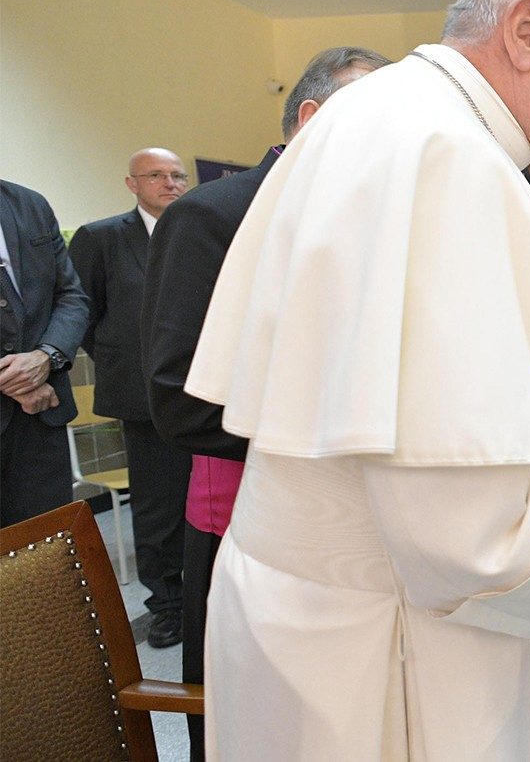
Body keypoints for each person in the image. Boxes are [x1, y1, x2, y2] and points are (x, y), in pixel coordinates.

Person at [181, 0, 530, 758]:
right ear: (526, 29)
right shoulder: (450, 157)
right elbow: (471, 543)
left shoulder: (372, 115)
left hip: (310, 620)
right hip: (392, 649)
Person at [141, 45, 389, 760]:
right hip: (245, 522)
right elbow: (179, 397)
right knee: (248, 730)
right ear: (310, 118)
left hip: (353, 520)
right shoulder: (210, 215)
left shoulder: (371, 218)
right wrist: (351, 425)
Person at [68, 148, 195, 649]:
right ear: (131, 183)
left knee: (204, 498)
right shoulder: (102, 238)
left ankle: (207, 595)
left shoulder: (196, 229)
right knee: (159, 505)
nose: (170, 183)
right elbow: (83, 313)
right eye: (157, 175)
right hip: (143, 399)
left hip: (200, 392)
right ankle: (165, 606)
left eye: (177, 175)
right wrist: (125, 361)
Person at [0, 180, 87, 526]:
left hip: (41, 420)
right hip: (33, 393)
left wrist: (44, 357)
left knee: (46, 556)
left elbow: (71, 297)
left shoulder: (28, 204)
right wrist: (16, 378)